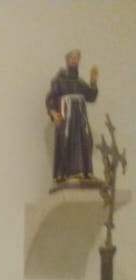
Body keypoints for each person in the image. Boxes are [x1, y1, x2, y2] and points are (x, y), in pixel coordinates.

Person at [45, 49, 99, 184]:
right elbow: (51, 98)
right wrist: (53, 113)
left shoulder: (80, 82)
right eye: (72, 58)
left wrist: (93, 82)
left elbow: (91, 97)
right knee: (67, 141)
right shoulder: (59, 81)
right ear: (67, 60)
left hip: (80, 118)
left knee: (84, 140)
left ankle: (84, 171)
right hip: (66, 117)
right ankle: (68, 173)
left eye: (77, 58)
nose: (75, 60)